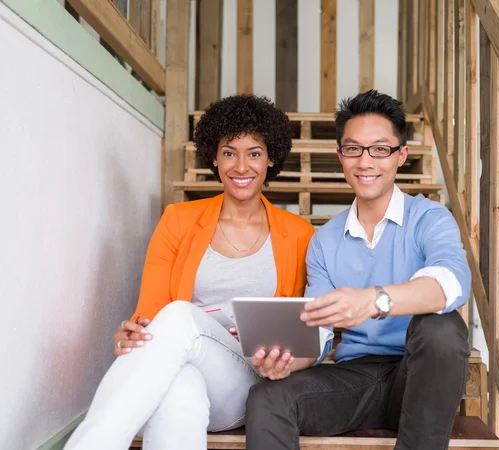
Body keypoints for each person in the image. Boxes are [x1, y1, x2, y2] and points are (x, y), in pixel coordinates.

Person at [65, 94, 317, 450]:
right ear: (213, 157)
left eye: (254, 153)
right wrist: (134, 335)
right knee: (180, 393)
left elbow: (307, 331)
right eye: (229, 152)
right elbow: (151, 316)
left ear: (270, 158)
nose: (241, 166)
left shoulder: (299, 233)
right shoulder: (178, 221)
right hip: (182, 370)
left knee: (181, 316)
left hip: (251, 380)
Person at [245, 90, 471, 450]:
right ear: (340, 156)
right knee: (266, 396)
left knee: (442, 326)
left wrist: (375, 300)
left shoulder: (429, 218)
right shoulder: (324, 241)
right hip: (355, 378)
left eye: (380, 149)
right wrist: (284, 362)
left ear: (401, 156)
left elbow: (451, 283)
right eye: (353, 149)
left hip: (418, 377)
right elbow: (318, 334)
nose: (366, 162)